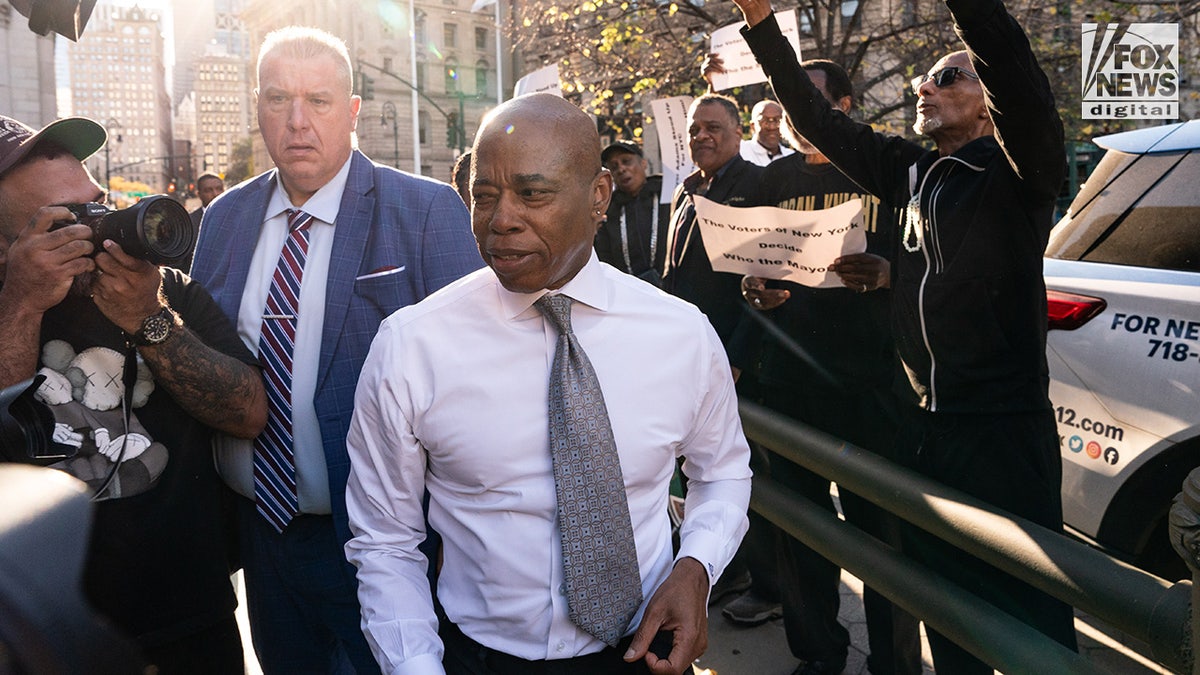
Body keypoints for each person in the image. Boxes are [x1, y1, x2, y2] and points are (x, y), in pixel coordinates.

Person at [344, 92, 753, 675]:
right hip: (477, 658)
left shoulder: (681, 335)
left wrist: (697, 569)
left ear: (598, 196)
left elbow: (723, 473)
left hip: (647, 651)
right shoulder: (412, 346)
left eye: (532, 193)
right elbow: (384, 540)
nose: (501, 219)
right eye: (483, 196)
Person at [731, 0, 1079, 671]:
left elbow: (1014, 72)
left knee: (1033, 621)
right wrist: (759, 21)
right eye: (925, 79)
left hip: (1003, 431)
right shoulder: (910, 172)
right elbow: (817, 117)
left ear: (987, 105)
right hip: (924, 429)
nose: (927, 86)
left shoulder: (1017, 174)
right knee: (947, 613)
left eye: (949, 78)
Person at [189, 26, 482, 673]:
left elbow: (477, 386)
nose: (297, 121)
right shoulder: (222, 221)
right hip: (261, 538)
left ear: (351, 112)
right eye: (277, 99)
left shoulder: (426, 211)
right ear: (256, 107)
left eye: (318, 101)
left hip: (387, 547)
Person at [0, 113, 267, 672]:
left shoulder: (164, 291)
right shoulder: (10, 304)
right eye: (67, 220)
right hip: (45, 630)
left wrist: (148, 319)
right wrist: (23, 303)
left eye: (97, 205)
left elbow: (248, 413)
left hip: (191, 619)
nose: (97, 226)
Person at [736, 60, 921, 675]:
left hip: (871, 381)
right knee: (800, 534)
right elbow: (751, 269)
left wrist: (891, 273)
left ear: (843, 107)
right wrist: (755, 289)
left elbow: (929, 263)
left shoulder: (888, 174)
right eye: (787, 104)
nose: (796, 116)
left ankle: (894, 663)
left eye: (810, 102)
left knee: (884, 535)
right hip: (790, 382)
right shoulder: (772, 180)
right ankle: (818, 653)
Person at [661, 93, 762, 351]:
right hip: (683, 343)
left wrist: (739, 356)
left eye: (713, 128)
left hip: (729, 352)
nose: (701, 136)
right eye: (693, 130)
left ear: (738, 134)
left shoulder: (759, 184)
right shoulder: (682, 191)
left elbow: (765, 278)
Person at [594, 139, 670, 285]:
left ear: (643, 163)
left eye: (626, 161)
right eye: (614, 167)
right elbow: (604, 257)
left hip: (673, 290)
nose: (621, 169)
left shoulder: (667, 194)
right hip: (628, 294)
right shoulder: (607, 209)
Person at [740, 99, 794, 166]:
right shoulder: (741, 152)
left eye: (777, 120)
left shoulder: (791, 157)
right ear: (752, 126)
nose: (772, 127)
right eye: (764, 120)